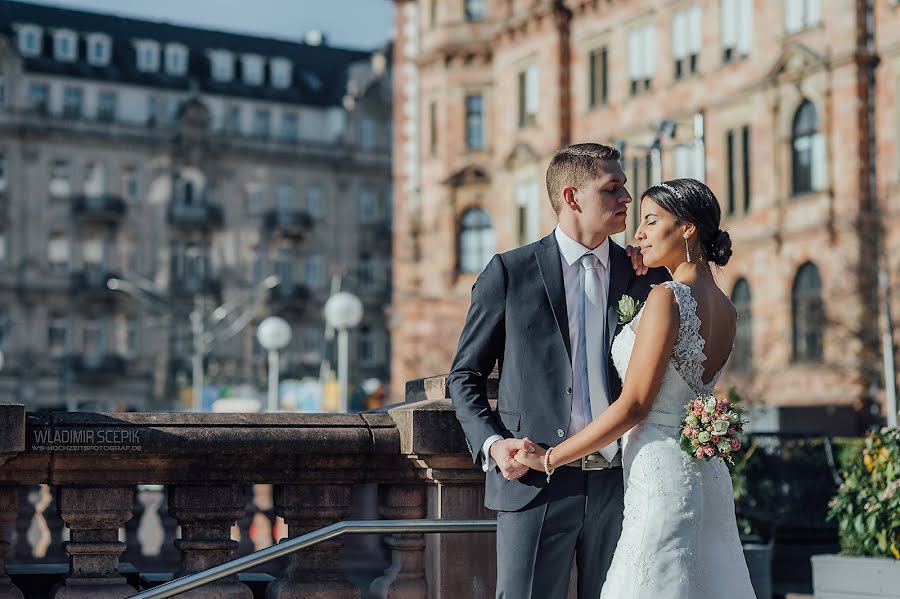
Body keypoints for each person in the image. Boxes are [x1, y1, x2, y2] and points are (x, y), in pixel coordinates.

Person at [514, 177, 756, 598]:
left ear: (686, 228)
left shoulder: (666, 298)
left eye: (650, 221)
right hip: (704, 476)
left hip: (659, 476)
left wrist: (550, 457)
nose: (638, 233)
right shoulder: (728, 308)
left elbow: (635, 405)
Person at [448, 142, 669, 598]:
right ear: (572, 197)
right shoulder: (509, 272)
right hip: (534, 481)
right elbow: (464, 376)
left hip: (621, 481)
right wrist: (493, 444)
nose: (626, 199)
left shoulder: (644, 276)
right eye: (613, 190)